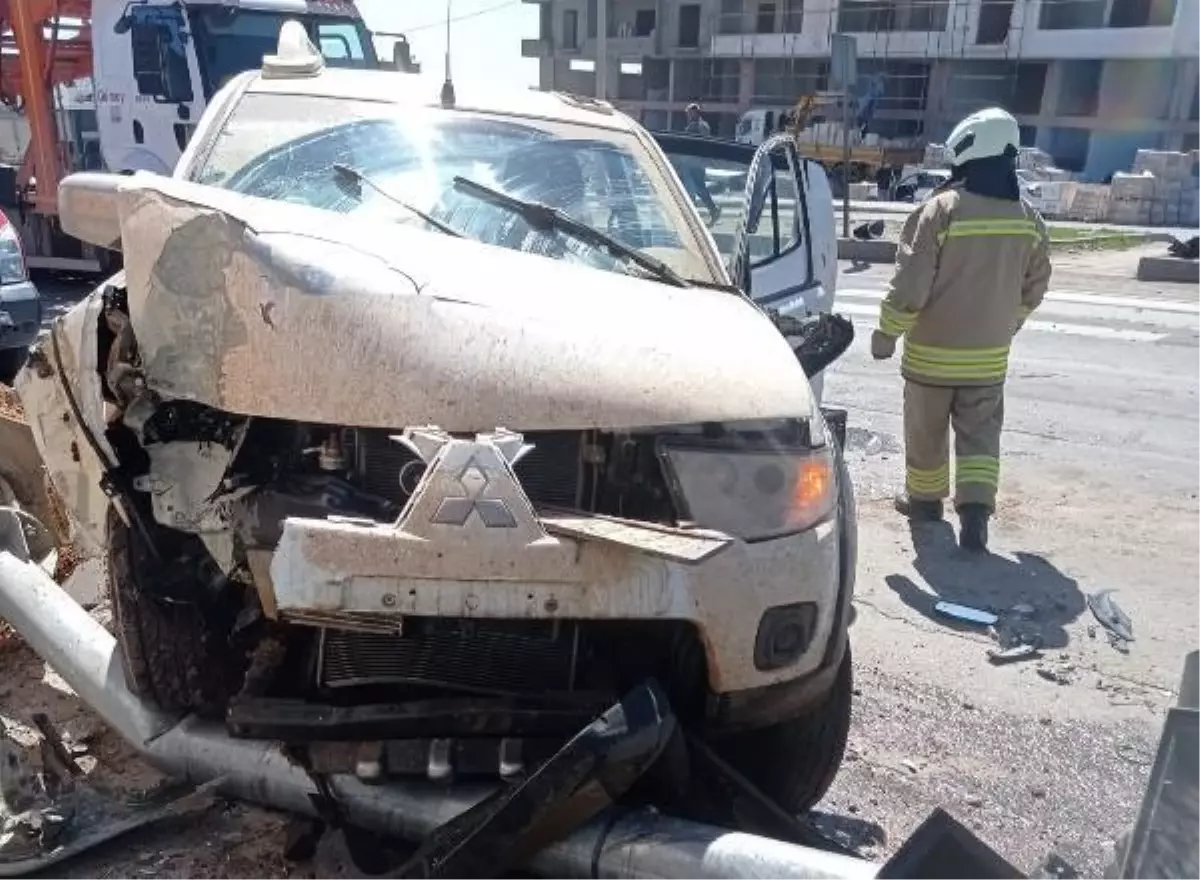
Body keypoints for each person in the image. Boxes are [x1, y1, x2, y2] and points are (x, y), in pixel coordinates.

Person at [870, 107, 1052, 551]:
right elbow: (1036, 284)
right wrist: (1009, 323)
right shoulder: (1027, 217)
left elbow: (911, 284)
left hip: (931, 357)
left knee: (926, 434)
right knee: (980, 439)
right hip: (988, 361)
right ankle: (975, 516)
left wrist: (886, 333)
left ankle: (926, 503)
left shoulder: (941, 210)